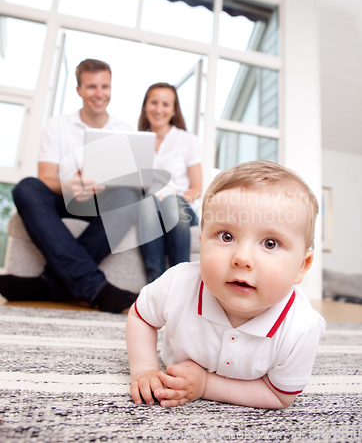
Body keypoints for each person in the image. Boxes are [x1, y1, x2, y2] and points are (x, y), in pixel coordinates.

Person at [126, 160, 326, 409]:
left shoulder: (301, 328)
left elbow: (280, 396)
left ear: (302, 267)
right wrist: (145, 369)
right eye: (226, 236)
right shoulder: (179, 282)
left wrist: (206, 385)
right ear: (201, 242)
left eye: (270, 243)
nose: (241, 258)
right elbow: (141, 316)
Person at [0, 59, 139, 313]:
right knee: (27, 187)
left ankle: (49, 286)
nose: (99, 94)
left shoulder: (125, 131)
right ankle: (96, 288)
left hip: (102, 203)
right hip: (63, 198)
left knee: (129, 199)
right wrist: (69, 186)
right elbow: (45, 177)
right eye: (92, 87)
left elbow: (129, 183)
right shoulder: (58, 125)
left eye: (105, 86)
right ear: (79, 90)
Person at [137, 82, 202, 283]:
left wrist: (171, 199)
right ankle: (155, 286)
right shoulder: (136, 141)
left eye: (165, 104)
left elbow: (197, 188)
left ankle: (180, 284)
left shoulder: (187, 140)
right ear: (146, 106)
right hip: (147, 207)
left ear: (173, 110)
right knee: (147, 202)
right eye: (154, 102)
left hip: (180, 208)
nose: (158, 109)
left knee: (171, 203)